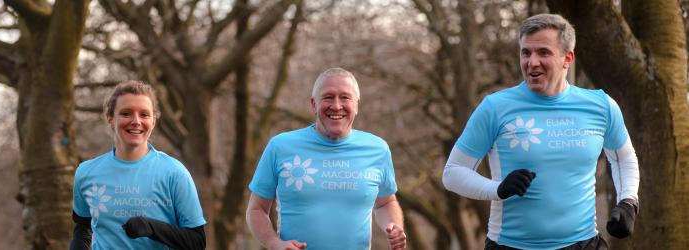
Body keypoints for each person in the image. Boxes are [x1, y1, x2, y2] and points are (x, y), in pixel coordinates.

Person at [442, 14, 640, 250]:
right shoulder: (495, 108)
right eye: (526, 53)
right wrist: (497, 189)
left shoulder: (601, 106)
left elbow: (624, 158)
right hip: (511, 246)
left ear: (567, 58)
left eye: (543, 52)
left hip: (582, 243)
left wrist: (628, 202)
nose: (532, 62)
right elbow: (453, 172)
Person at [246, 68, 408, 250]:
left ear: (357, 105)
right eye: (328, 97)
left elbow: (386, 202)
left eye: (345, 97)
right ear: (313, 104)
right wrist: (275, 243)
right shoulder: (280, 146)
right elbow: (256, 209)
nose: (337, 106)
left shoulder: (378, 149)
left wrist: (394, 227)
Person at [70, 80, 206, 250]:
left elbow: (197, 242)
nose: (136, 121)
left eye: (144, 114)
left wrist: (152, 228)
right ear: (111, 119)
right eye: (126, 113)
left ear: (153, 121)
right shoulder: (86, 172)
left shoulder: (174, 173)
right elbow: (83, 228)